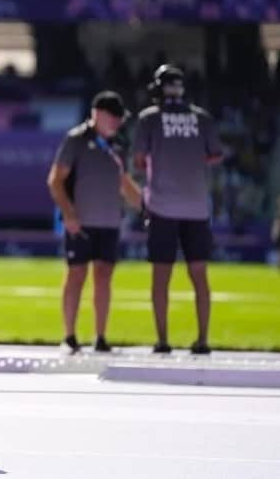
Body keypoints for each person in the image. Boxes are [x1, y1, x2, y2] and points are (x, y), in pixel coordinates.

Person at [132, 65, 223, 355]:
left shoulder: (149, 119)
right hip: (196, 207)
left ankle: (162, 340)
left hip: (162, 206)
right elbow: (215, 156)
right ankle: (203, 340)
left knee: (161, 277)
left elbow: (138, 161)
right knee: (199, 274)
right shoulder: (202, 118)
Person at [47, 91, 142, 355]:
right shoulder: (76, 140)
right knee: (76, 275)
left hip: (110, 221)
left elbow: (123, 182)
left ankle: (100, 337)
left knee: (103, 277)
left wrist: (146, 207)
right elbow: (55, 180)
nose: (118, 123)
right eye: (114, 117)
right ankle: (69, 336)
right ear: (98, 114)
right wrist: (68, 213)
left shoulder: (118, 145)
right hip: (81, 221)